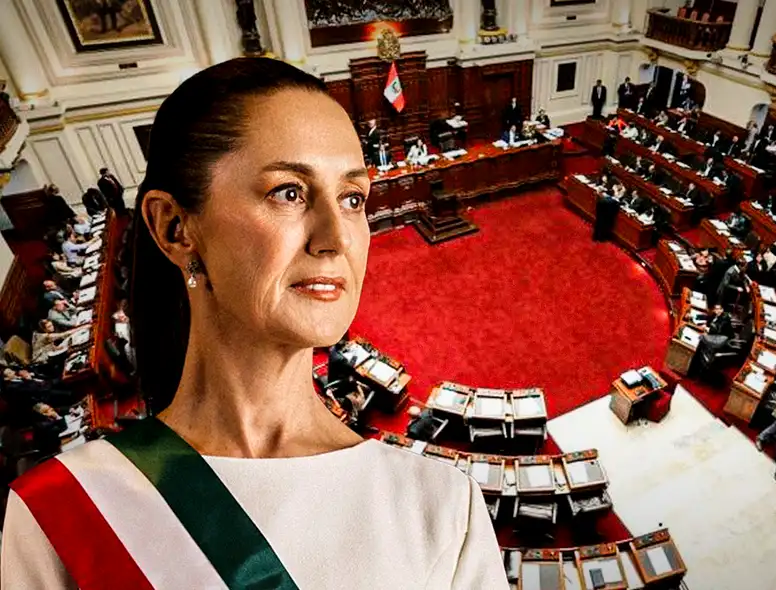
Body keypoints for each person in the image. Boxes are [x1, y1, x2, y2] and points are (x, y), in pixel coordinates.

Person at [1, 58, 507, 589]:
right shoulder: (57, 516)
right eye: (288, 192)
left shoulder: (443, 507)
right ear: (175, 228)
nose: (336, 238)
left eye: (353, 198)